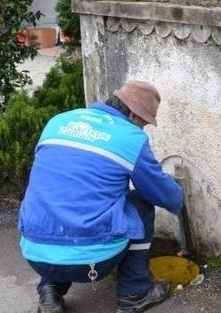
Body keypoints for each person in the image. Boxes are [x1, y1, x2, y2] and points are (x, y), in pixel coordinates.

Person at [18, 80, 183, 313]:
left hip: (35, 253)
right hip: (92, 262)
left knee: (56, 201)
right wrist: (179, 196)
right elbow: (162, 193)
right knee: (141, 203)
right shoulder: (130, 137)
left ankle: (50, 292)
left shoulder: (58, 122)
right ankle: (134, 294)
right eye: (144, 124)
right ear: (134, 115)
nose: (142, 129)